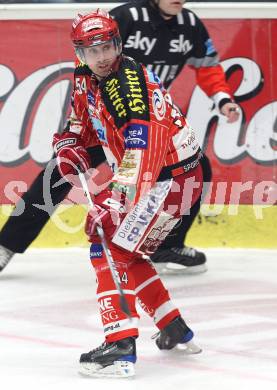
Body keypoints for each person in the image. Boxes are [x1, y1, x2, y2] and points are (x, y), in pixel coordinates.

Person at [0, 0, 239, 274]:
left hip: (143, 122)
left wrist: (222, 98)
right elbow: (86, 84)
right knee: (60, 170)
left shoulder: (190, 25)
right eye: (94, 50)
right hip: (105, 120)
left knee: (196, 169)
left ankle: (163, 245)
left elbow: (208, 66)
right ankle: (6, 244)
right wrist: (71, 138)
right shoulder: (125, 17)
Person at [52, 9, 202, 377]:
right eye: (91, 50)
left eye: (107, 47)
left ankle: (120, 344)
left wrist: (119, 199)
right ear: (79, 54)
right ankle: (172, 326)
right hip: (165, 179)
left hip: (166, 180)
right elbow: (81, 124)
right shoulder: (87, 76)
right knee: (126, 249)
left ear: (118, 44)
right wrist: (68, 146)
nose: (101, 57)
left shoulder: (126, 84)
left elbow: (143, 146)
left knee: (109, 246)